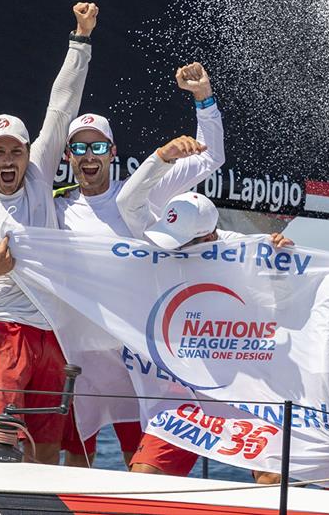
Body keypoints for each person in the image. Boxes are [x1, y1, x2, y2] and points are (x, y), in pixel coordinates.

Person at [0, 3, 98, 465]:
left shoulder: (38, 179)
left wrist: (81, 40)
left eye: (16, 151)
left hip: (52, 334)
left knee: (47, 452)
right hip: (0, 333)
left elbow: (61, 104)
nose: (8, 161)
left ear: (30, 154)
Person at [54, 61, 226, 468]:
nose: (89, 155)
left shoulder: (144, 192)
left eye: (98, 146)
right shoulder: (55, 206)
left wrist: (204, 99)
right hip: (83, 360)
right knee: (75, 468)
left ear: (112, 152)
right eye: (80, 147)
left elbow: (211, 158)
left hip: (137, 357)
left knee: (141, 465)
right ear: (68, 156)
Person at [117, 172, 292, 478]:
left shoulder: (252, 253)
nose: (173, 250)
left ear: (210, 239)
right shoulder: (162, 245)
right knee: (143, 479)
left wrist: (286, 261)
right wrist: (162, 160)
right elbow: (127, 203)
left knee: (272, 480)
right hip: (186, 396)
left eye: (183, 243)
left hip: (245, 390)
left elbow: (290, 304)